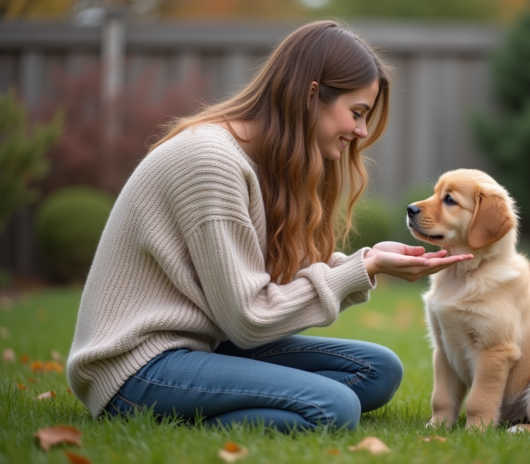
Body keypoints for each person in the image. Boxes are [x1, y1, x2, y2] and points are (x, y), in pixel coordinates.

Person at [66, 20, 472, 433]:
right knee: (335, 407)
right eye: (356, 113)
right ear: (312, 96)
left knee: (378, 370)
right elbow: (250, 318)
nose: (362, 131)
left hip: (202, 345)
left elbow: (272, 275)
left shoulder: (262, 160)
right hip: (136, 366)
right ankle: (184, 419)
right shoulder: (211, 163)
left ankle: (229, 403)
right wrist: (363, 271)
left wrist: (368, 260)